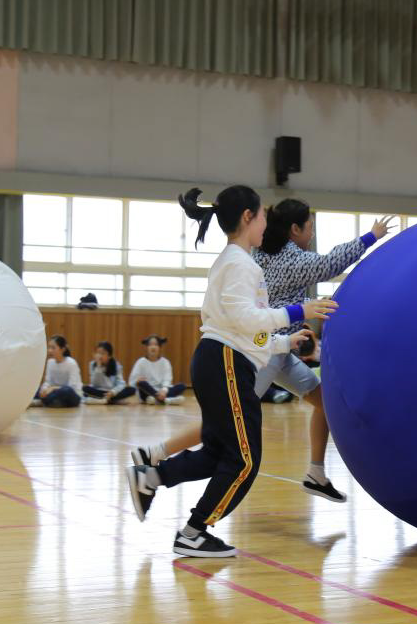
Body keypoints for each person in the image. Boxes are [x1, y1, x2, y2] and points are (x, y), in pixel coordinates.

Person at [131, 199, 391, 502]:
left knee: (326, 402)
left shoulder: (262, 253)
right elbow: (330, 263)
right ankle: (154, 453)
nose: (312, 234)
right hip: (263, 353)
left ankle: (316, 474)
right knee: (223, 422)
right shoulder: (291, 260)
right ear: (295, 229)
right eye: (310, 227)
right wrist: (371, 236)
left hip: (280, 352)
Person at [125, 186, 336, 558]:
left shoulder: (238, 262)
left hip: (222, 359)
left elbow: (246, 330)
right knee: (244, 460)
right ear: (248, 217)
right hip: (224, 362)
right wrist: (299, 311)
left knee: (218, 452)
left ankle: (152, 477)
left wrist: (284, 343)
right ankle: (194, 532)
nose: (267, 223)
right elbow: (245, 320)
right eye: (264, 215)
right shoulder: (240, 264)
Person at [130, 335, 187, 405]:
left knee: (182, 386)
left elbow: (167, 379)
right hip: (148, 391)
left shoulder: (165, 362)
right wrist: (137, 380)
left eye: (156, 345)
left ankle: (156, 399)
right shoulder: (141, 361)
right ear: (147, 348)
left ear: (159, 347)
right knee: (142, 384)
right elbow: (132, 381)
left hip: (162, 390)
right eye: (150, 345)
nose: (153, 347)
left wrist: (163, 390)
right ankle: (168, 400)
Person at [32, 335, 82, 408]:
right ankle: (52, 402)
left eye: (53, 348)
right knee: (36, 390)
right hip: (55, 393)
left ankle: (44, 401)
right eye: (49, 347)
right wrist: (44, 390)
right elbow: (48, 382)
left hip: (72, 395)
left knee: (66, 391)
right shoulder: (50, 362)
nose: (49, 350)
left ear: (62, 349)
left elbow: (72, 387)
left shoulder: (71, 363)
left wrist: (53, 388)